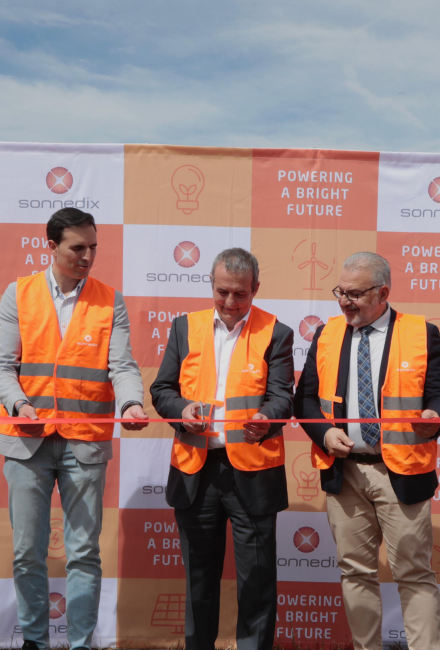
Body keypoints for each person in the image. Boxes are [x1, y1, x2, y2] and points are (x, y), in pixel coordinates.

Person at [0, 208, 148, 650]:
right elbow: (0, 367)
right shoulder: (17, 294)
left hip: (86, 446)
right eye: (78, 247)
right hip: (27, 444)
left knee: (83, 553)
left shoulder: (109, 300)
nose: (88, 255)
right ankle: (35, 643)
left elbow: (122, 365)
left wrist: (133, 402)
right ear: (51, 246)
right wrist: (19, 403)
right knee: (27, 554)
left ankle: (81, 644)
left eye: (93, 247)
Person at [294, 252, 440, 650]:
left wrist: (435, 414)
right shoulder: (327, 333)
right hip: (345, 473)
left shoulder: (421, 332)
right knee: (355, 573)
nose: (345, 301)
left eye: (355, 294)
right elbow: (305, 402)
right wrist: (325, 434)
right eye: (340, 292)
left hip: (401, 473)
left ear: (383, 292)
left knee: (414, 573)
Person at [149, 248, 295, 650]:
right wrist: (182, 410)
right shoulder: (184, 328)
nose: (230, 303)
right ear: (211, 286)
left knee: (257, 582)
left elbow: (284, 397)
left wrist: (266, 419)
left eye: (241, 294)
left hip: (253, 473)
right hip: (196, 472)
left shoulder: (276, 333)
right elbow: (161, 390)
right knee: (198, 581)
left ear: (256, 290)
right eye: (222, 292)